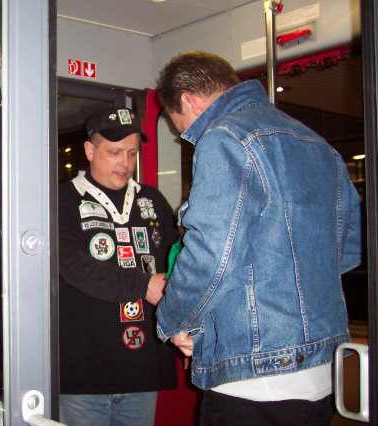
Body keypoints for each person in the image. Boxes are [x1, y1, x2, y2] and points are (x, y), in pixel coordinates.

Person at [154, 51, 362, 426]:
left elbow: (212, 256)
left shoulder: (224, 137)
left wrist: (172, 318)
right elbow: (348, 249)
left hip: (253, 375)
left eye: (179, 125)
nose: (184, 135)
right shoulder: (319, 145)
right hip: (321, 371)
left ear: (188, 100)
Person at [58, 107, 177, 426]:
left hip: (142, 367)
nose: (125, 163)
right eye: (114, 152)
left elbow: (177, 257)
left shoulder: (151, 200)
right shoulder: (63, 200)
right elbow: (73, 266)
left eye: (132, 153)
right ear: (89, 150)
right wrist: (143, 285)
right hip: (84, 370)